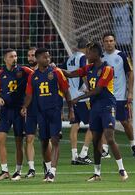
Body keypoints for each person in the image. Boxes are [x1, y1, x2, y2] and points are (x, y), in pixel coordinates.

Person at [62, 42, 128, 182]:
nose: (87, 55)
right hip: (95, 108)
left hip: (107, 106)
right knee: (96, 140)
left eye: (89, 53)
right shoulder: (89, 68)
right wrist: (55, 69)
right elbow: (71, 74)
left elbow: (98, 90)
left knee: (109, 137)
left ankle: (122, 169)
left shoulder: (107, 69)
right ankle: (97, 173)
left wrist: (77, 98)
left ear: (97, 54)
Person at [21, 48, 74, 183]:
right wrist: (24, 107)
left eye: (48, 57)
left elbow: (66, 91)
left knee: (55, 141)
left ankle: (52, 173)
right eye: (45, 57)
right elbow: (29, 94)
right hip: (40, 113)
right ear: (38, 59)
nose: (48, 59)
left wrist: (71, 110)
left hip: (55, 112)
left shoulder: (56, 72)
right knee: (44, 142)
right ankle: (48, 169)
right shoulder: (33, 76)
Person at [0, 49, 33, 181]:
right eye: (11, 56)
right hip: (5, 111)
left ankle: (18, 170)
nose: (14, 58)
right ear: (5, 59)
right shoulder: (0, 74)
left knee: (18, 142)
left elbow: (37, 75)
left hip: (19, 111)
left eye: (15, 56)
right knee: (0, 138)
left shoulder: (24, 71)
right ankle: (4, 170)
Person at [101, 32, 135, 158]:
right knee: (105, 123)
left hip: (120, 96)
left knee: (125, 122)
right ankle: (105, 150)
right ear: (103, 43)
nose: (109, 43)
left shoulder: (121, 56)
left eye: (111, 41)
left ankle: (133, 145)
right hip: (106, 97)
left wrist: (130, 92)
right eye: (106, 41)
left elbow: (131, 74)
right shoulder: (100, 58)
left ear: (115, 42)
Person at [60, 38, 93, 165]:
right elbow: (84, 73)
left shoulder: (70, 58)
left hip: (72, 96)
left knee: (75, 126)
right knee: (94, 124)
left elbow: (64, 73)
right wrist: (89, 88)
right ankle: (83, 154)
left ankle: (74, 157)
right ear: (87, 48)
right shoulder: (83, 58)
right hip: (83, 97)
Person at [23, 47, 52, 178]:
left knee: (46, 138)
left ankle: (48, 166)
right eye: (28, 55)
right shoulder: (25, 72)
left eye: (33, 55)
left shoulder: (50, 71)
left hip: (44, 109)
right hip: (31, 109)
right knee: (29, 138)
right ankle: (31, 168)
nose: (31, 58)